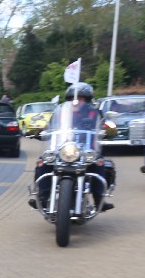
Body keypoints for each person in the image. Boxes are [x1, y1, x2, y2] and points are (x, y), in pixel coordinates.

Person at [29, 82, 116, 210]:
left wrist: (107, 130)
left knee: (99, 163)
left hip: (87, 149)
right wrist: (41, 131)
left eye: (80, 98)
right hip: (63, 148)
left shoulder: (94, 113)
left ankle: (99, 200)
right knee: (43, 162)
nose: (76, 101)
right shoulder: (60, 112)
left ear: (87, 100)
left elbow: (103, 125)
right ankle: (42, 198)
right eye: (72, 98)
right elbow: (50, 126)